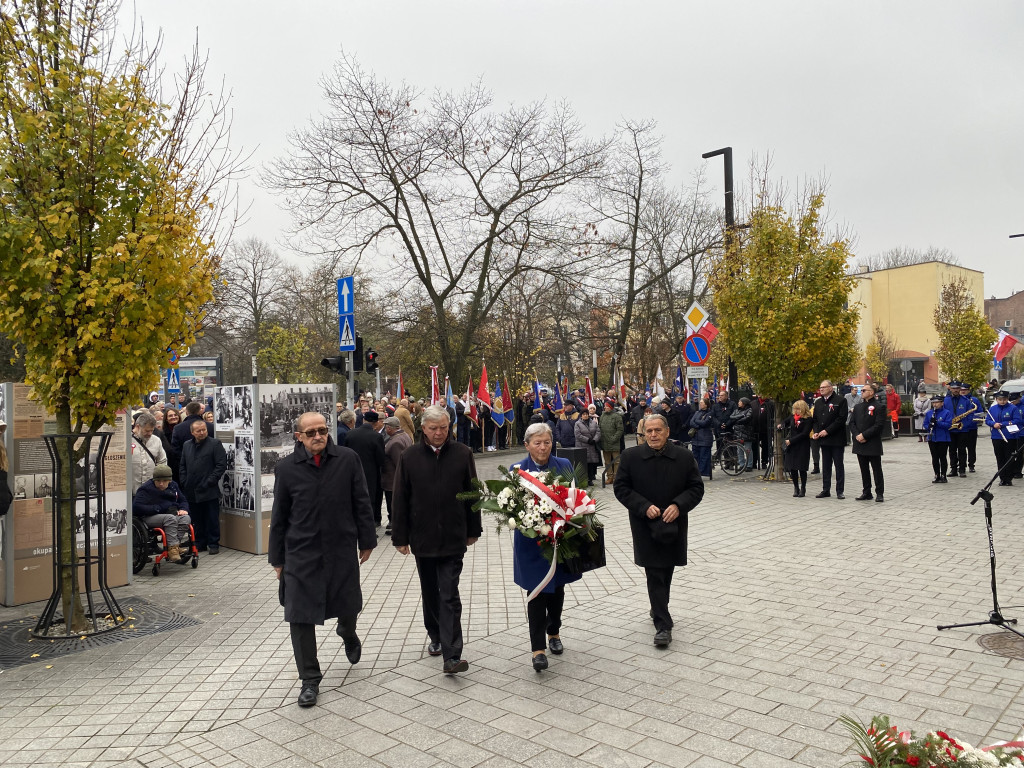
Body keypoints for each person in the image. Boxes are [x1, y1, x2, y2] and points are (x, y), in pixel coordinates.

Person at [269, 412, 377, 708]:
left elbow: (361, 500)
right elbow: (279, 516)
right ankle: (310, 680)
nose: (318, 436)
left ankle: (347, 630)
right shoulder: (287, 468)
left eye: (322, 430)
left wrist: (367, 539)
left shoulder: (347, 459)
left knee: (348, 602)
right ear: (299, 437)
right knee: (300, 615)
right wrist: (277, 559)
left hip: (340, 547)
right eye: (311, 432)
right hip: (300, 553)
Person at [391, 406, 481, 674]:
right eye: (433, 428)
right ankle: (435, 634)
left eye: (444, 427)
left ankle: (452, 655)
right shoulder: (409, 456)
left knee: (449, 594)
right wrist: (400, 536)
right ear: (423, 429)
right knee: (430, 592)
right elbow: (400, 499)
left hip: (454, 536)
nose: (439, 433)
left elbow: (472, 492)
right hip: (423, 536)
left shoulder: (462, 453)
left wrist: (473, 528)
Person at [613, 414, 705, 648]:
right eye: (648, 431)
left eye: (657, 431)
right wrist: (643, 507)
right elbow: (621, 487)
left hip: (673, 523)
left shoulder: (683, 457)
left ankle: (657, 608)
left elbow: (696, 488)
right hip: (645, 524)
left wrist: (678, 505)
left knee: (667, 570)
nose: (652, 435)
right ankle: (663, 625)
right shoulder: (631, 457)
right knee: (654, 571)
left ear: (667, 432)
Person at [509, 423, 582, 671]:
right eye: (537, 443)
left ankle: (554, 632)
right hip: (530, 543)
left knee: (557, 589)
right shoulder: (517, 470)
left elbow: (575, 498)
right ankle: (537, 649)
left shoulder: (563, 466)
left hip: (558, 540)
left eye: (547, 442)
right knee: (536, 593)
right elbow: (511, 507)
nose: (543, 447)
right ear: (527, 444)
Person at [179, 419, 227, 553]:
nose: (202, 433)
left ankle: (213, 543)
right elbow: (182, 465)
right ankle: (200, 542)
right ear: (192, 432)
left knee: (211, 517)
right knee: (196, 518)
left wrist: (210, 481)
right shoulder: (187, 445)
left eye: (204, 430)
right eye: (198, 431)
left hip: (208, 488)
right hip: (191, 488)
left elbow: (221, 465)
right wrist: (184, 480)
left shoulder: (214, 444)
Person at [133, 464, 192, 562]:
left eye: (164, 481)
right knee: (170, 518)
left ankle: (173, 547)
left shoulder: (173, 486)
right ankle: (173, 549)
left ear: (169, 480)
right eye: (158, 481)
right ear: (154, 480)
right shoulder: (146, 489)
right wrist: (157, 508)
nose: (161, 483)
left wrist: (184, 509)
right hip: (149, 517)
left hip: (169, 515)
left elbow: (183, 500)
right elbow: (136, 507)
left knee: (186, 518)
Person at [344, 409, 386, 526]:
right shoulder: (376, 437)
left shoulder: (350, 434)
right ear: (376, 423)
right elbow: (381, 459)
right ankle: (370, 523)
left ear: (363, 420)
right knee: (370, 498)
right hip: (371, 473)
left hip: (352, 471)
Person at [811, 380, 848, 499]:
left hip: (836, 438)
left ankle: (840, 490)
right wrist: (816, 431)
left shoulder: (840, 400)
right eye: (820, 387)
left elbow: (841, 419)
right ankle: (825, 489)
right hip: (823, 439)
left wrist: (827, 431)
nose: (821, 389)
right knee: (826, 465)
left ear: (831, 388)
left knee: (838, 465)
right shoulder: (818, 402)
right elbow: (815, 419)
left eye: (824, 387)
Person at [851, 383, 888, 503]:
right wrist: (857, 435)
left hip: (872, 442)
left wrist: (865, 435)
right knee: (864, 469)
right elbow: (852, 423)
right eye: (861, 391)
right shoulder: (858, 407)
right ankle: (866, 492)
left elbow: (879, 425)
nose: (861, 392)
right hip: (859, 442)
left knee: (876, 469)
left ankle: (879, 493)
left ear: (871, 392)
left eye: (864, 390)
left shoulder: (879, 407)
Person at [380, 416, 412, 535]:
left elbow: (399, 463)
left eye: (385, 427)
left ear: (389, 428)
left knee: (394, 504)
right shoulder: (404, 436)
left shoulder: (395, 442)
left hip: (393, 480)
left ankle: (397, 527)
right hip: (394, 479)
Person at [985, 391, 1021, 486]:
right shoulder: (992, 409)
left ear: (1007, 399)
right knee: (999, 457)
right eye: (1000, 399)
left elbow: (1017, 420)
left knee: (1009, 457)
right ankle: (1002, 477)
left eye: (1004, 399)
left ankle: (1009, 478)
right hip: (997, 436)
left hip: (1010, 436)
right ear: (996, 399)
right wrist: (993, 424)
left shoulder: (1013, 408)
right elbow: (987, 420)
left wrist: (1002, 424)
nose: (1002, 401)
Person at [131, 412, 168, 496]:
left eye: (152, 430)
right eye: (147, 431)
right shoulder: (127, 440)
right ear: (137, 427)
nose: (150, 433)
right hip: (132, 490)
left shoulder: (156, 440)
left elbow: (162, 461)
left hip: (151, 490)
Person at [781, 400, 813, 497]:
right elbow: (784, 422)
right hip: (792, 446)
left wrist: (791, 440)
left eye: (798, 409)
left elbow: (804, 433)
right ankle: (796, 487)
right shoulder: (792, 417)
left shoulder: (808, 419)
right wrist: (781, 425)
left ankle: (803, 487)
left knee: (802, 468)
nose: (796, 411)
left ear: (803, 409)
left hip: (802, 445)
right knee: (793, 468)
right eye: (795, 409)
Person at [923, 395, 953, 483]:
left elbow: (948, 425)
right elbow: (925, 424)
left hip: (943, 438)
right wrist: (928, 426)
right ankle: (937, 474)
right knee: (934, 457)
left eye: (937, 403)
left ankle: (943, 475)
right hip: (932, 438)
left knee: (942, 457)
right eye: (933, 403)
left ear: (942, 403)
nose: (935, 405)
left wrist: (937, 423)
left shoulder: (947, 413)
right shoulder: (929, 413)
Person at [573, 405, 601, 486]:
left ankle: (590, 479)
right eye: (583, 414)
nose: (585, 415)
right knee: (583, 463)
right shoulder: (577, 424)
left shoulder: (593, 422)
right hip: (582, 446)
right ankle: (583, 479)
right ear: (581, 415)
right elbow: (578, 435)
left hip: (592, 446)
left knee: (591, 464)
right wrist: (587, 440)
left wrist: (594, 440)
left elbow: (598, 432)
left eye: (586, 414)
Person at [598, 401, 623, 483]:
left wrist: (613, 439)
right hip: (604, 442)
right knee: (607, 461)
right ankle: (609, 477)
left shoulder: (617, 416)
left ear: (611, 407)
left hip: (614, 443)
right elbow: (600, 427)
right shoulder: (602, 416)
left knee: (616, 461)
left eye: (607, 406)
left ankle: (616, 477)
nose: (605, 408)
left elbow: (620, 430)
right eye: (605, 406)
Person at [689, 398, 714, 479]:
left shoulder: (710, 413)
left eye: (702, 403)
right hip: (696, 438)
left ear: (706, 404)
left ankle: (701, 473)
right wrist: (698, 424)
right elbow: (691, 422)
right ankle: (695, 473)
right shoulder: (697, 412)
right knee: (695, 457)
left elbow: (705, 423)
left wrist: (697, 422)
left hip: (705, 438)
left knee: (704, 457)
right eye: (700, 403)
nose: (700, 404)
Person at [961, 384, 984, 473]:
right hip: (960, 428)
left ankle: (971, 465)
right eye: (961, 390)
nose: (963, 391)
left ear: (969, 390)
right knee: (961, 448)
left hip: (971, 427)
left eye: (965, 390)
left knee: (971, 448)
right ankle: (961, 465)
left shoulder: (974, 400)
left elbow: (980, 413)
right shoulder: (958, 400)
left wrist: (970, 420)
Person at [728, 398, 754, 471]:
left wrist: (737, 420)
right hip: (738, 433)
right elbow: (731, 417)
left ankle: (749, 465)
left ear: (744, 403)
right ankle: (741, 464)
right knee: (739, 450)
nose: (738, 403)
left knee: (748, 449)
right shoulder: (737, 410)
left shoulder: (749, 410)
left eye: (740, 401)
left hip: (747, 432)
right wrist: (741, 416)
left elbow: (747, 418)